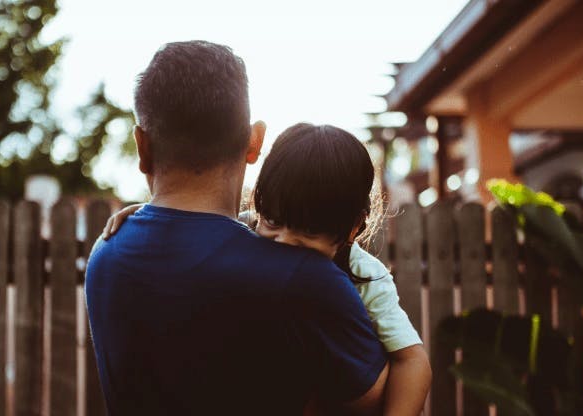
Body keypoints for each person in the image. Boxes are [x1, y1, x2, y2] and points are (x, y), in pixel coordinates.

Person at [85, 41, 389, 415]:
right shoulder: (306, 278)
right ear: (255, 142)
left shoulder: (106, 254)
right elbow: (377, 402)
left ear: (142, 147)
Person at [104, 123, 432, 415]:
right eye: (273, 221)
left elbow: (413, 360)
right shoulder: (248, 227)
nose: (284, 240)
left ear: (352, 228)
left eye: (308, 232)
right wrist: (152, 211)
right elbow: (196, 222)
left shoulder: (367, 275)